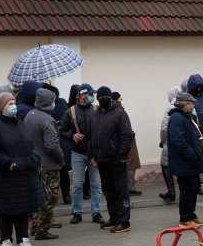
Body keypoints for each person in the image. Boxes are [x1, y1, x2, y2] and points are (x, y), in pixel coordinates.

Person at [0, 93, 45, 246]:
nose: (13, 106)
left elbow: (30, 145)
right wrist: (9, 163)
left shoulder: (20, 123)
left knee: (23, 208)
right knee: (7, 210)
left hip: (25, 173)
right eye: (9, 103)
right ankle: (5, 240)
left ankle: (23, 239)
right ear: (1, 107)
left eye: (14, 102)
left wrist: (33, 159)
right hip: (7, 176)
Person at [88, 86, 133, 233]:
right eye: (99, 98)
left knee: (120, 191)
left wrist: (121, 156)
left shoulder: (120, 114)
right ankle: (113, 217)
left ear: (110, 98)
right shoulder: (94, 116)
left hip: (116, 159)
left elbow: (127, 136)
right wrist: (92, 156)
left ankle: (124, 221)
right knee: (108, 191)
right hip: (101, 160)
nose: (102, 100)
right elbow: (91, 137)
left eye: (105, 97)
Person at [59, 83, 105, 225]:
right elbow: (61, 130)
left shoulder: (97, 110)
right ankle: (77, 213)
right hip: (77, 153)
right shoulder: (70, 112)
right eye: (89, 94)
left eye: (92, 94)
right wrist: (72, 136)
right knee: (78, 184)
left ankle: (96, 213)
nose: (92, 97)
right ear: (81, 95)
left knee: (96, 185)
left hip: (94, 154)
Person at [24, 88, 64, 239]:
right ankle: (42, 230)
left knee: (38, 197)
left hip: (34, 163)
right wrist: (61, 159)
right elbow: (52, 145)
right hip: (48, 165)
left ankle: (35, 226)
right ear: (48, 102)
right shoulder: (47, 119)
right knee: (51, 197)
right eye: (52, 100)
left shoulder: (30, 115)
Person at [167, 92, 203, 228]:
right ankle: (184, 218)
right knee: (186, 190)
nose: (193, 105)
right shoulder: (176, 118)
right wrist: (192, 153)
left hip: (190, 162)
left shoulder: (186, 116)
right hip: (184, 162)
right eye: (191, 103)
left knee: (193, 188)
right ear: (184, 104)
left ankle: (191, 214)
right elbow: (178, 141)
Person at [112, 91, 142, 196]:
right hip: (127, 142)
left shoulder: (117, 111)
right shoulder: (119, 111)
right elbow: (124, 128)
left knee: (130, 166)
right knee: (129, 166)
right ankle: (128, 188)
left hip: (126, 141)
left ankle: (130, 187)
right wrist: (132, 134)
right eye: (121, 99)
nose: (122, 101)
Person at [46, 84, 72, 205]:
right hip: (64, 142)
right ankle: (66, 196)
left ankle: (54, 198)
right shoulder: (63, 102)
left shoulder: (47, 106)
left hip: (56, 141)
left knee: (55, 172)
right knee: (64, 171)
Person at [160, 87, 181, 201]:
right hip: (183, 141)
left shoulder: (170, 108)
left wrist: (162, 141)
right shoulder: (186, 105)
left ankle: (171, 192)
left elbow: (164, 128)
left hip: (170, 142)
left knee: (165, 164)